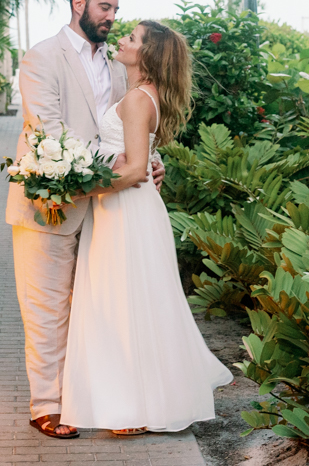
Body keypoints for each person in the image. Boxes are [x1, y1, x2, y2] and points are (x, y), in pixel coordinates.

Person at [5, 0, 165, 439]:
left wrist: (150, 162)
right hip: (49, 204)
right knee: (47, 309)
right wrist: (127, 168)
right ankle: (47, 406)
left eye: (115, 10)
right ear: (79, 4)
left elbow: (126, 126)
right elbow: (50, 132)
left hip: (105, 210)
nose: (111, 18)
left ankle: (94, 401)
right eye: (104, 8)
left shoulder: (116, 66)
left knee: (96, 311)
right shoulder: (42, 58)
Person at [60, 21, 233, 435]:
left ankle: (132, 409)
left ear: (148, 55)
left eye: (132, 38)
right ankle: (136, 401)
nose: (122, 39)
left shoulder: (139, 99)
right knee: (128, 303)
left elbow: (137, 169)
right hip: (121, 209)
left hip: (126, 211)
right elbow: (140, 156)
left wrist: (76, 190)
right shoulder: (140, 93)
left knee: (122, 305)